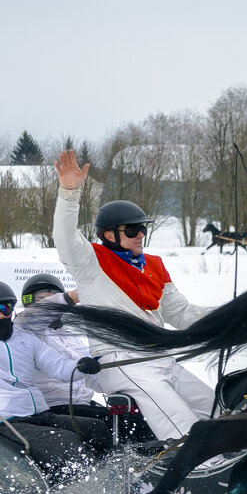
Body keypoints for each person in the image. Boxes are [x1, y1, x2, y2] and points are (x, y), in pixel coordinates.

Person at [52, 149, 217, 442]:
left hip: (160, 359)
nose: (140, 234)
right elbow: (65, 239)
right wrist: (69, 193)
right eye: (132, 230)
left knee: (215, 408)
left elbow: (180, 315)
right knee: (177, 417)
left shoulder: (154, 265)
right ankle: (199, 467)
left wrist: (229, 317)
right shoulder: (91, 262)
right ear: (109, 235)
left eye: (142, 229)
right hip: (119, 361)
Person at [0, 281, 112, 482]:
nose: (0, 315)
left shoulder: (25, 339)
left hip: (38, 413)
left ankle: (110, 478)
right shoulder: (28, 323)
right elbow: (40, 312)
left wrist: (80, 367)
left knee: (96, 428)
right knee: (63, 441)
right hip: (6, 420)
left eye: (4, 308)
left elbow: (59, 366)